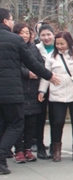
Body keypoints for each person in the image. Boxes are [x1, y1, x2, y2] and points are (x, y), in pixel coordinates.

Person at [1, 10, 59, 174]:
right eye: (11, 19)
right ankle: (1, 156)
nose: (13, 22)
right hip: (11, 91)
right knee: (16, 124)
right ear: (5, 21)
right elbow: (32, 62)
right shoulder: (15, 40)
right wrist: (49, 75)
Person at [38, 31, 73, 162]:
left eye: (62, 43)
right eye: (57, 44)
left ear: (69, 42)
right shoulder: (51, 56)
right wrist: (42, 91)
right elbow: (46, 75)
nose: (59, 46)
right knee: (57, 122)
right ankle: (56, 150)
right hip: (57, 93)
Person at [12, 24, 45, 164]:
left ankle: (28, 149)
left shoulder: (34, 48)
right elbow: (13, 67)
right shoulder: (14, 47)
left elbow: (40, 64)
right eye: (22, 33)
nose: (25, 35)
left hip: (33, 90)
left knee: (31, 123)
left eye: (27, 33)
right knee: (19, 123)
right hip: (19, 89)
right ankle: (18, 150)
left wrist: (37, 73)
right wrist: (26, 73)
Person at [35, 24, 56, 160]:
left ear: (53, 34)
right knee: (40, 118)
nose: (46, 37)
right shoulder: (35, 49)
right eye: (43, 35)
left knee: (55, 118)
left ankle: (54, 146)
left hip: (57, 86)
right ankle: (40, 146)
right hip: (40, 87)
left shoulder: (60, 47)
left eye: (49, 34)